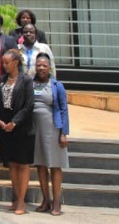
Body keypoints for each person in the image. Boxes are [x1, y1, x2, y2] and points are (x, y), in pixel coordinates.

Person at [0, 49, 36, 215]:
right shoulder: (1, 80)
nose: (4, 66)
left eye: (7, 62)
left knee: (22, 164)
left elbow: (29, 105)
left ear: (16, 63)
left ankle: (21, 200)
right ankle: (16, 196)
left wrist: (14, 122)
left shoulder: (26, 80)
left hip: (22, 128)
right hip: (5, 128)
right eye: (3, 62)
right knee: (11, 163)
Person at [32, 53, 69, 216]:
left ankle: (56, 202)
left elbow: (63, 109)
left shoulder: (56, 85)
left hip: (53, 129)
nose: (41, 68)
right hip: (35, 130)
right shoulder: (30, 83)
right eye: (38, 65)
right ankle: (45, 199)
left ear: (49, 67)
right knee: (40, 164)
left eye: (44, 65)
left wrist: (64, 133)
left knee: (54, 165)